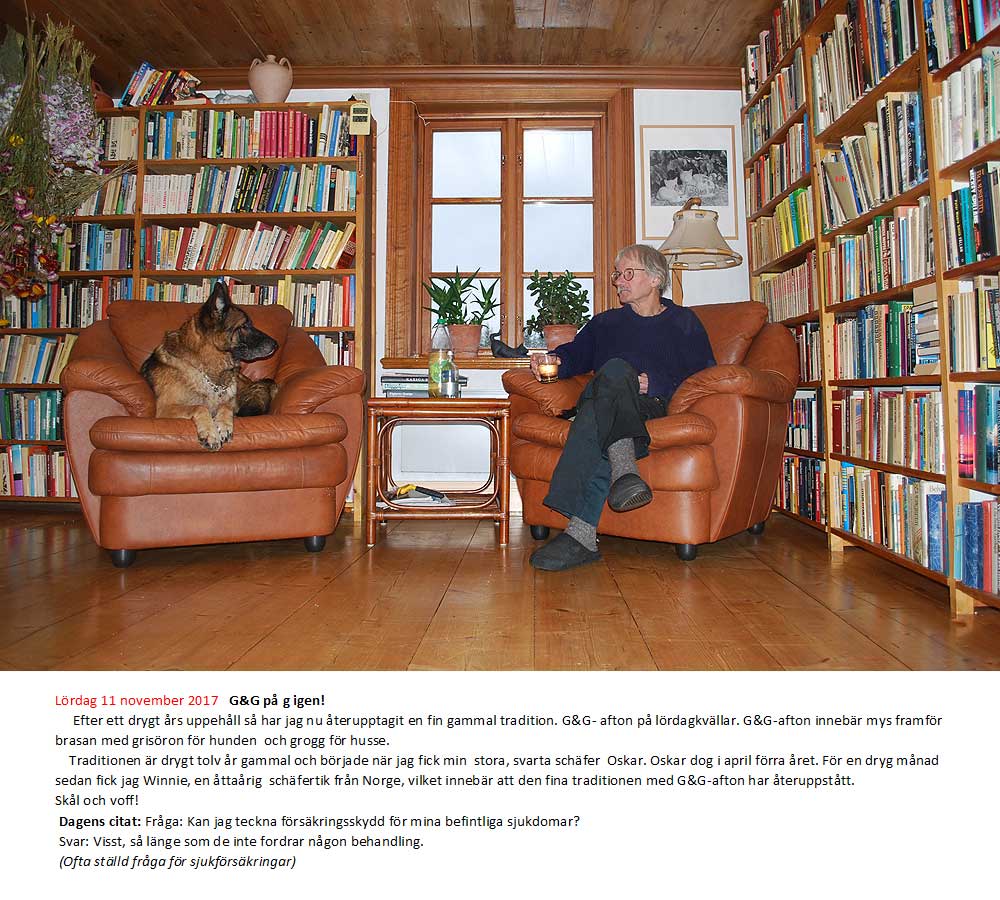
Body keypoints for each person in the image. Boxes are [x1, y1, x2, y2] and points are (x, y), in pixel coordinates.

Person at [528, 243, 716, 572]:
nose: (619, 281)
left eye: (628, 273)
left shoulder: (684, 322)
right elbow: (574, 355)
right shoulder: (605, 323)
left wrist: (656, 384)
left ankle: (580, 536)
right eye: (617, 274)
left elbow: (704, 375)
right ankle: (624, 473)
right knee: (614, 374)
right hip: (605, 399)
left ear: (656, 278)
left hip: (651, 406)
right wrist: (554, 360)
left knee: (602, 411)